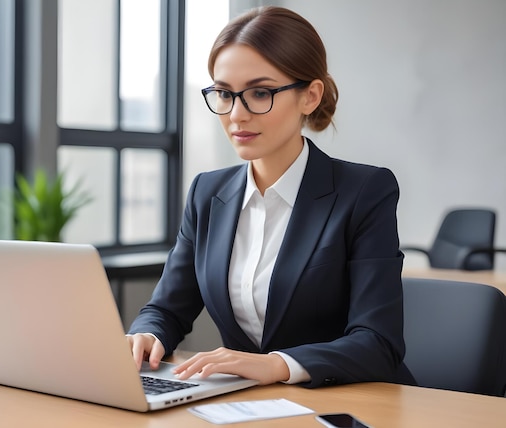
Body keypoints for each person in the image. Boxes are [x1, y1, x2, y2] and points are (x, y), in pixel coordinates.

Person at [127, 6, 415, 388]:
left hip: (348, 403)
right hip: (250, 405)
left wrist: (278, 364)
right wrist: (148, 335)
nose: (237, 115)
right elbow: (166, 309)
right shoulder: (206, 193)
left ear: (310, 96)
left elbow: (378, 343)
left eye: (260, 93)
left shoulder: (364, 192)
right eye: (224, 94)